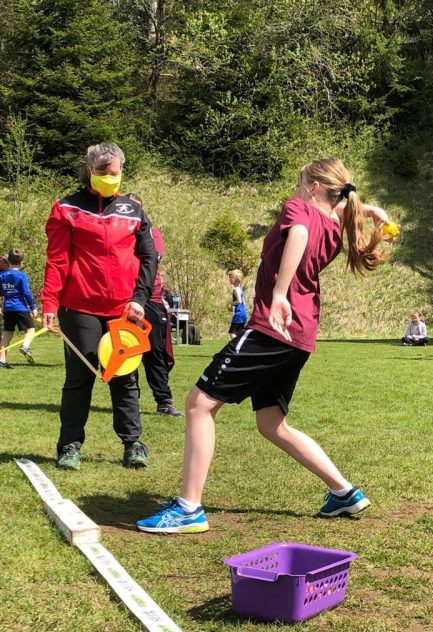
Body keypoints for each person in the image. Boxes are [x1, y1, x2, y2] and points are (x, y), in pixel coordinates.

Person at [137, 158, 391, 534]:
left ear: (313, 187)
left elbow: (299, 233)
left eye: (301, 182)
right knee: (272, 424)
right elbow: (338, 209)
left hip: (273, 328)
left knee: (198, 404)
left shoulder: (299, 209)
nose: (296, 188)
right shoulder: (333, 225)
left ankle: (189, 509)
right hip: (300, 335)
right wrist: (369, 210)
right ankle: (344, 492)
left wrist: (279, 293)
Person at [41, 142, 157, 469]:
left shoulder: (133, 211)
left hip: (125, 307)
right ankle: (69, 446)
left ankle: (133, 443)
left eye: (115, 173)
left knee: (124, 373)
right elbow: (58, 259)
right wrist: (49, 301)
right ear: (89, 171)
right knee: (82, 374)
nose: (110, 178)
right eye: (103, 172)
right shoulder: (66, 208)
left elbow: (149, 257)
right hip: (79, 305)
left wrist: (139, 299)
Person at [126, 193, 182, 417]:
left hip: (151, 299)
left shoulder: (152, 233)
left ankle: (164, 401)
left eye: (135, 208)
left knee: (155, 351)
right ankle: (130, 401)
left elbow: (151, 258)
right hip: (124, 298)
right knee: (127, 350)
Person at [0, 248, 38, 368]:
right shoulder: (21, 276)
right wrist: (33, 307)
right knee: (31, 330)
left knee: (7, 334)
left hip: (7, 308)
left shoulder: (1, 275)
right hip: (20, 307)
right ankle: (25, 346)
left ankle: (2, 360)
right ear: (21, 261)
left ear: (8, 261)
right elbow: (26, 293)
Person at [227, 269, 248, 340]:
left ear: (237, 279)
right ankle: (239, 345)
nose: (230, 279)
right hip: (243, 314)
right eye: (230, 277)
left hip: (239, 314)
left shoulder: (236, 289)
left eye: (232, 277)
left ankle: (235, 345)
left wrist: (230, 304)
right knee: (239, 333)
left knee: (232, 332)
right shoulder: (240, 288)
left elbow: (239, 301)